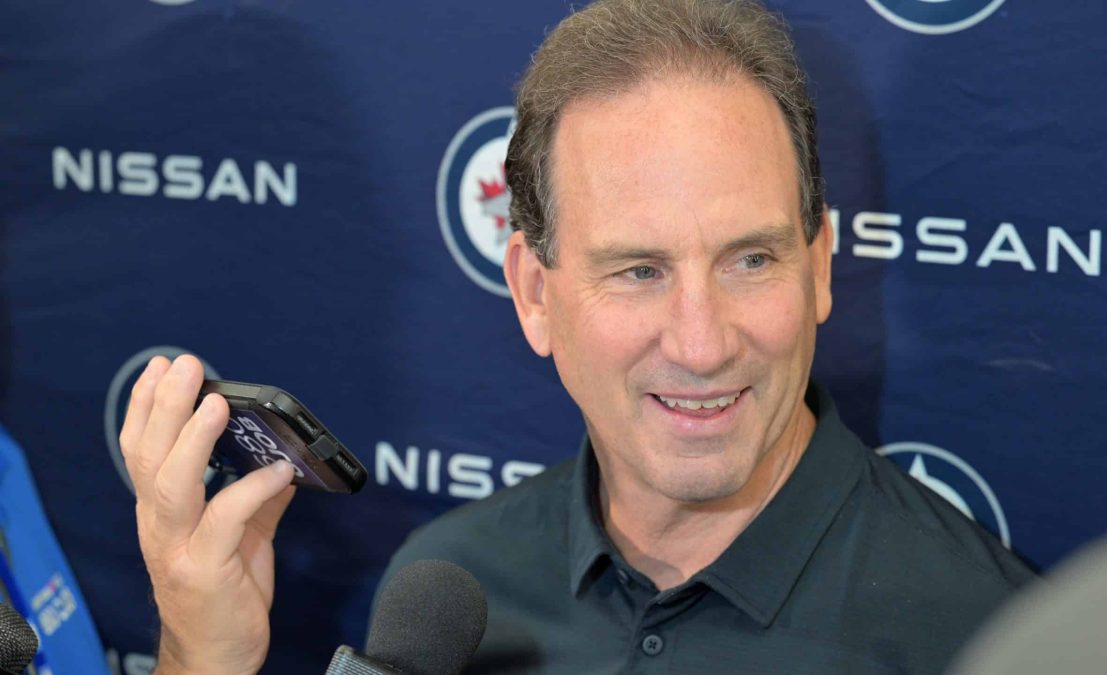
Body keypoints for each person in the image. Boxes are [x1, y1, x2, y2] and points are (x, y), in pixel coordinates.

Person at [121, 1, 1035, 673]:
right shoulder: (449, 595)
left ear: (821, 266)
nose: (702, 343)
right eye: (638, 270)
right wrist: (203, 660)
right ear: (533, 293)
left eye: (750, 259)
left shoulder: (993, 640)